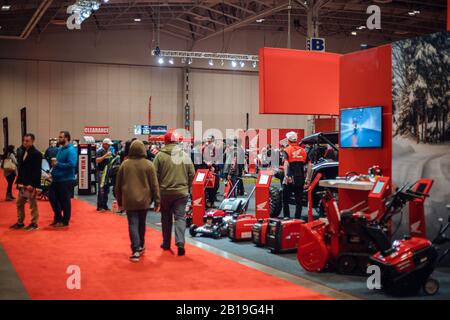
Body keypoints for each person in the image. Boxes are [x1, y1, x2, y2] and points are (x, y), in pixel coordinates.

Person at [115, 140, 160, 262]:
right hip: (145, 200)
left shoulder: (125, 164)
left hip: (129, 200)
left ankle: (135, 250)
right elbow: (154, 185)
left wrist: (119, 201)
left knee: (132, 224)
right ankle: (141, 245)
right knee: (142, 223)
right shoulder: (149, 164)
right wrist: (157, 201)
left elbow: (118, 185)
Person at [153, 131, 195, 256]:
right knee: (180, 218)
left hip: (165, 192)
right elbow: (192, 173)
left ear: (165, 141)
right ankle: (180, 242)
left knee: (166, 218)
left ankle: (166, 243)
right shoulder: (184, 155)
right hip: (181, 193)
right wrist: (187, 187)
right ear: (176, 141)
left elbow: (154, 175)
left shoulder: (159, 156)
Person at [10, 134, 42, 231]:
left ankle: (34, 223)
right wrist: (19, 182)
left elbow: (37, 171)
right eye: (24, 140)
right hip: (22, 184)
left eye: (27, 141)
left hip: (30, 185)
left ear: (32, 141)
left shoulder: (36, 154)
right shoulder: (23, 151)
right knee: (19, 203)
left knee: (33, 205)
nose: (25, 142)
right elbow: (22, 169)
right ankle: (20, 222)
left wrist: (33, 185)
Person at [48, 131, 78, 227]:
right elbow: (57, 163)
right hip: (56, 179)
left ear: (67, 138)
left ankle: (65, 221)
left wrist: (58, 164)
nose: (59, 138)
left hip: (66, 180)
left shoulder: (71, 150)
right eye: (59, 136)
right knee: (52, 198)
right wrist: (51, 173)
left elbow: (72, 165)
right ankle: (58, 218)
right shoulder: (60, 149)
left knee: (65, 201)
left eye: (61, 137)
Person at [282, 131, 312, 219]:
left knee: (285, 200)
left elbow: (286, 163)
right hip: (300, 178)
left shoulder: (287, 150)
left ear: (288, 140)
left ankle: (286, 217)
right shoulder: (303, 151)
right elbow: (310, 165)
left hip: (290, 178)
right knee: (299, 200)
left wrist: (286, 176)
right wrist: (308, 179)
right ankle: (297, 218)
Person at [96, 138, 115, 211]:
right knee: (101, 189)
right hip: (101, 172)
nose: (109, 146)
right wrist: (105, 155)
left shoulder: (108, 151)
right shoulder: (100, 151)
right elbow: (97, 160)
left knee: (106, 189)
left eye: (109, 145)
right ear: (104, 144)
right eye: (108, 144)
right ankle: (100, 206)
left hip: (107, 172)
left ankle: (104, 205)